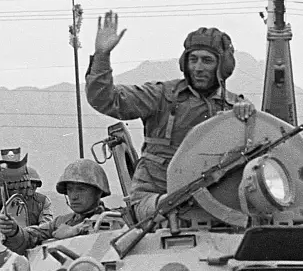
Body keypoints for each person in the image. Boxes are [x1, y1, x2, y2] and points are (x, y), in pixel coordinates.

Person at [86, 12, 255, 222]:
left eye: (207, 61)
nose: (198, 68)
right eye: (193, 59)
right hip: (156, 200)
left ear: (222, 66)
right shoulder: (162, 96)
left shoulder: (236, 109)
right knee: (173, 210)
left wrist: (245, 119)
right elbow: (105, 99)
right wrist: (102, 56)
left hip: (215, 205)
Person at [0, 159, 110, 255]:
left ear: (98, 192)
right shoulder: (60, 222)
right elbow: (31, 236)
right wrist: (14, 231)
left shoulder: (112, 219)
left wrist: (77, 229)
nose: (73, 196)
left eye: (81, 189)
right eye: (70, 189)